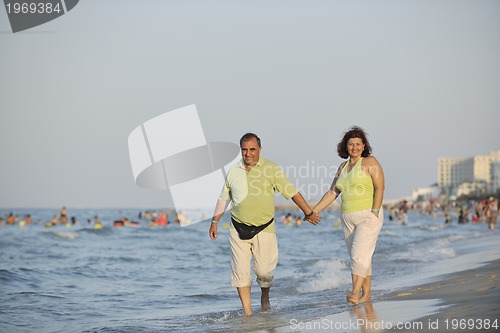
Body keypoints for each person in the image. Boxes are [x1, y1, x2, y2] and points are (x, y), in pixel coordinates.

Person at [209, 133, 320, 316]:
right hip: (237, 228)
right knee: (240, 272)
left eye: (252, 149)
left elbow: (291, 192)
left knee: (264, 272)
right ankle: (248, 312)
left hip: (264, 228)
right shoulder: (234, 171)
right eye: (244, 150)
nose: (248, 153)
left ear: (260, 149)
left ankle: (264, 296)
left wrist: (308, 212)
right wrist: (214, 221)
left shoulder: (271, 169)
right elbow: (223, 198)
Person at [311, 126, 384, 305]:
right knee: (361, 256)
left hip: (368, 215)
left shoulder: (370, 162)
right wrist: (315, 210)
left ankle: (355, 292)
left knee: (358, 256)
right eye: (351, 144)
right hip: (347, 218)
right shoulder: (343, 167)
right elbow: (332, 193)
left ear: (364, 145)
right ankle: (366, 294)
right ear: (345, 146)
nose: (354, 147)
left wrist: (375, 210)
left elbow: (380, 187)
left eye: (358, 144)